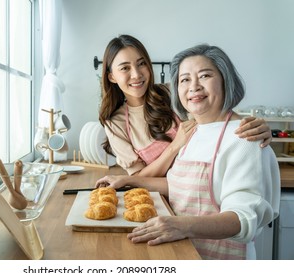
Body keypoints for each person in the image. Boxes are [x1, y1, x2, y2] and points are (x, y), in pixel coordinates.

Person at [96, 44, 281, 260]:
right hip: (182, 252)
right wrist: (127, 181)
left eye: (204, 76)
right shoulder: (193, 132)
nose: (193, 87)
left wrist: (182, 226)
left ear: (225, 80)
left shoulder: (244, 139)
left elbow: (243, 218)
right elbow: (181, 186)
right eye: (184, 80)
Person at [99, 35, 272, 177]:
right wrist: (176, 144)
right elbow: (137, 179)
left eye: (141, 63)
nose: (136, 74)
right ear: (112, 77)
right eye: (125, 68)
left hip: (202, 187)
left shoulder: (172, 91)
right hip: (157, 200)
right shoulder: (115, 123)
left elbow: (216, 113)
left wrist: (250, 126)